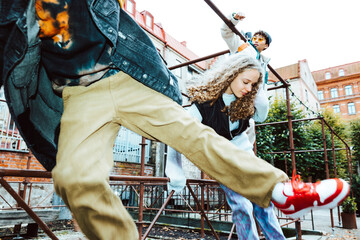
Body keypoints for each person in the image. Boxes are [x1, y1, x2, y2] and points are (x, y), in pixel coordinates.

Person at [0, 1, 349, 240]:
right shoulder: (14, 9)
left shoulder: (253, 67)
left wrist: (255, 73)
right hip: (78, 95)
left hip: (125, 77)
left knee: (191, 133)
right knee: (72, 176)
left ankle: (280, 190)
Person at [166, 54, 285, 239]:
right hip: (222, 160)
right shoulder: (204, 105)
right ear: (231, 75)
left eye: (253, 85)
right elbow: (179, 134)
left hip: (245, 157)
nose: (248, 88)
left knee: (264, 202)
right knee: (242, 205)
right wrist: (175, 168)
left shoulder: (246, 100)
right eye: (245, 82)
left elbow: (262, 114)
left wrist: (259, 87)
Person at [220, 11, 286, 239]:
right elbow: (226, 32)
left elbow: (260, 100)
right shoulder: (242, 48)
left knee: (262, 201)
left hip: (246, 125)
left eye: (261, 40)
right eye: (255, 37)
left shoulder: (262, 63)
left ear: (266, 46)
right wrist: (234, 20)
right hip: (227, 147)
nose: (257, 41)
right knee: (242, 205)